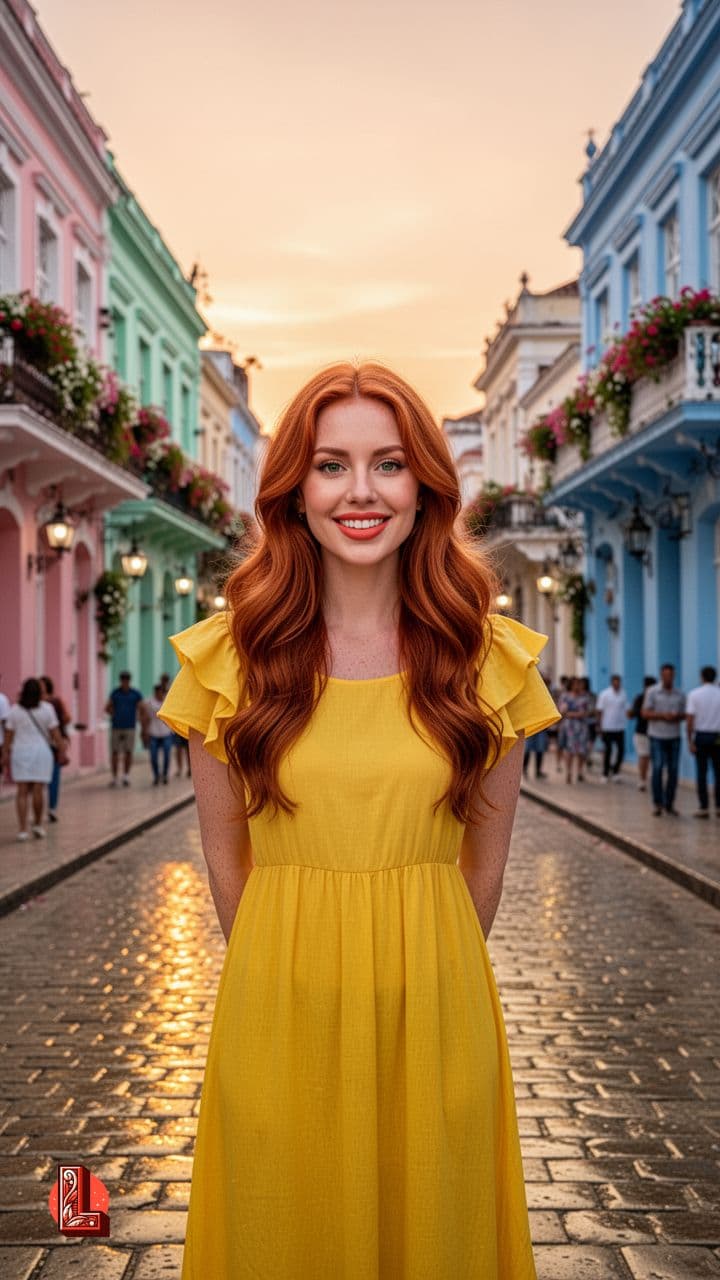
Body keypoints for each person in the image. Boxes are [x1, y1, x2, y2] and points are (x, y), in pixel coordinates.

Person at [157, 361, 561, 1278]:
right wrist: (288, 980)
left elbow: (482, 875)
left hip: (438, 1010)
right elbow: (230, 867)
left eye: (388, 463)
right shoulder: (230, 659)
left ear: (425, 488)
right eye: (331, 465)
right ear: (295, 493)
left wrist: (422, 972)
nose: (361, 491)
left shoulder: (489, 660)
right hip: (279, 1009)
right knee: (281, 1233)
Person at [0, 677, 63, 839]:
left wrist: (5, 754)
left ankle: (22, 829)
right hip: (42, 753)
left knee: (21, 791)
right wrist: (62, 751)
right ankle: (37, 824)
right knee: (38, 791)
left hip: (20, 753)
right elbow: (55, 734)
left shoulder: (15, 710)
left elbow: (8, 736)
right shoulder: (47, 709)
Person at [642, 663, 686, 816]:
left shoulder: (679, 694)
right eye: (666, 675)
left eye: (671, 675)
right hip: (657, 736)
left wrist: (676, 716)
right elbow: (645, 713)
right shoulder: (652, 692)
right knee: (658, 768)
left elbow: (685, 714)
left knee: (673, 771)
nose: (668, 678)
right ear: (662, 676)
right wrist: (662, 716)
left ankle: (670, 803)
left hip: (674, 736)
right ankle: (657, 803)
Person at [686, 665, 720, 819]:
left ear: (702, 677)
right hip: (717, 736)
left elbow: (690, 720)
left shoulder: (694, 694)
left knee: (702, 772)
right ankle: (719, 805)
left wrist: (690, 740)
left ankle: (704, 806)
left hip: (701, 736)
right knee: (718, 772)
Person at [39, 675, 71, 821]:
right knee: (41, 780)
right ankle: (42, 809)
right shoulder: (33, 705)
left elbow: (67, 718)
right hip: (40, 745)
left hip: (52, 744)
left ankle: (51, 808)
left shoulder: (55, 702)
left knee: (53, 778)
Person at [105, 670, 144, 786]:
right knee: (115, 752)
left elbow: (142, 707)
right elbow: (107, 707)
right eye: (123, 679)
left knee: (128, 752)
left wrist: (139, 718)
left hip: (130, 727)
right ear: (121, 680)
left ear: (129, 680)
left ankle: (126, 776)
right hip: (116, 726)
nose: (125, 682)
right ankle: (115, 777)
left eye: (126, 679)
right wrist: (114, 714)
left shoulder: (135, 694)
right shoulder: (115, 693)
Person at [558, 675, 591, 783]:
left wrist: (570, 714)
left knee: (582, 750)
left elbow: (585, 712)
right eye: (575, 684)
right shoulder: (565, 696)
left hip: (581, 727)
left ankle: (580, 771)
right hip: (569, 727)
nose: (577, 686)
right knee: (570, 750)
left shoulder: (585, 697)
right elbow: (562, 711)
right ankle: (569, 772)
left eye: (579, 684)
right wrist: (573, 714)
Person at [596, 673, 628, 783]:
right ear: (612, 682)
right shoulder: (605, 694)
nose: (617, 684)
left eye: (618, 681)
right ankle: (605, 773)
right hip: (607, 727)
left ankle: (616, 771)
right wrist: (599, 726)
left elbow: (625, 709)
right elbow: (600, 711)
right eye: (615, 681)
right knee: (608, 750)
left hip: (620, 727)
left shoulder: (623, 694)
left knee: (621, 750)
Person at [627, 675, 656, 792]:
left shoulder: (641, 698)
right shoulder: (644, 699)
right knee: (646, 757)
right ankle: (644, 780)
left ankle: (643, 780)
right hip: (644, 732)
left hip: (648, 732)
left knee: (644, 757)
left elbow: (631, 714)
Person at [141, 683, 174, 785]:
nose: (159, 694)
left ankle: (164, 774)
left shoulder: (167, 701)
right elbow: (144, 717)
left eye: (161, 692)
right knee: (153, 756)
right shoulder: (149, 703)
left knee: (167, 755)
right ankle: (156, 775)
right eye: (157, 692)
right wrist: (144, 732)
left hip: (166, 732)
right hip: (153, 732)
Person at [522, 672, 552, 779]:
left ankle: (538, 771)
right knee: (528, 748)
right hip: (530, 725)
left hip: (542, 727)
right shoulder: (529, 693)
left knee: (540, 749)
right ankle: (524, 769)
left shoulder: (546, 694)